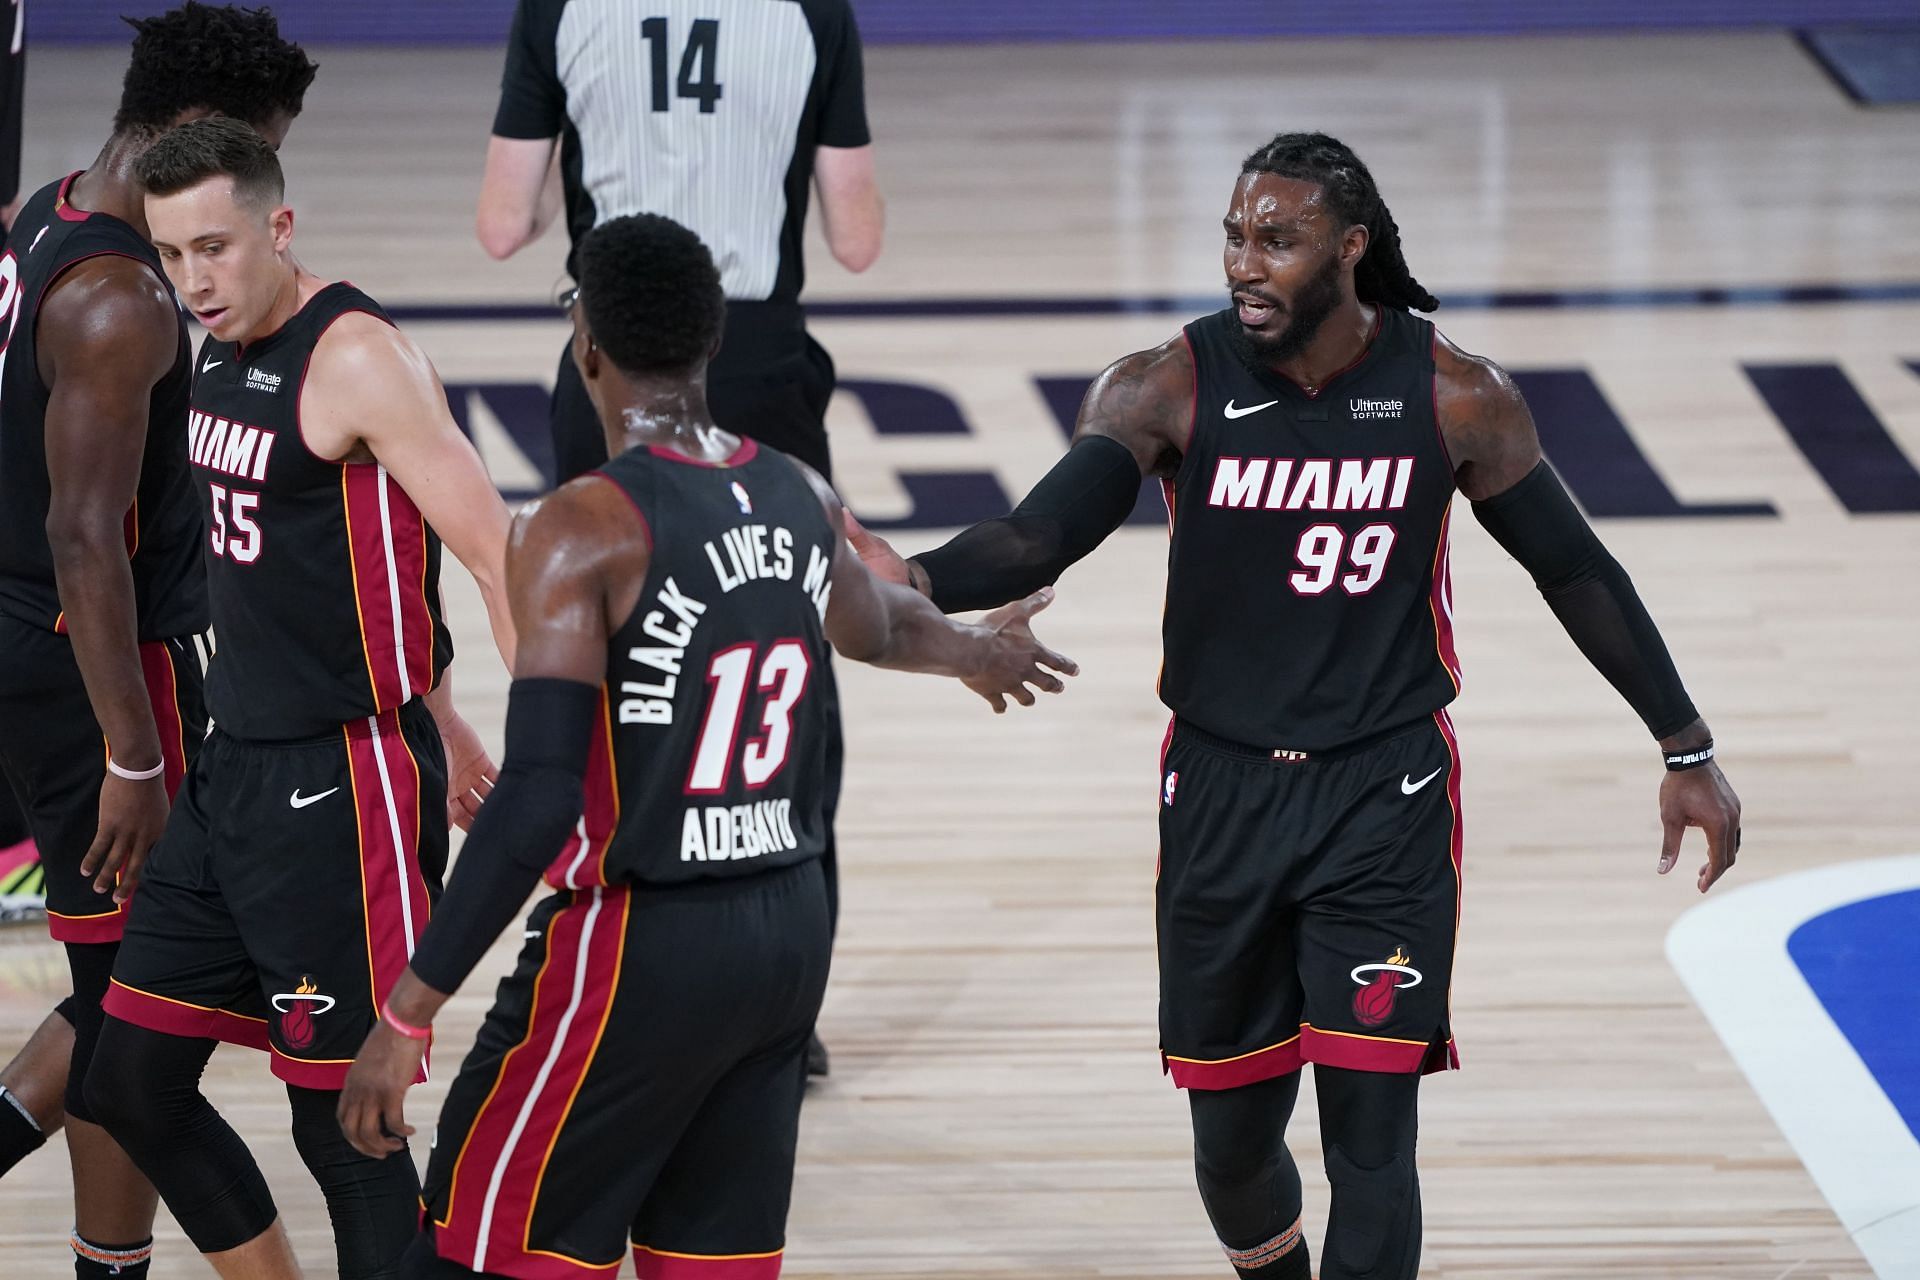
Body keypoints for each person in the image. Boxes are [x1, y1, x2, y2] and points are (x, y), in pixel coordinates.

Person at [845, 131, 1744, 1280]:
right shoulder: (1163, 383)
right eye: (1234, 235)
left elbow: (1576, 570)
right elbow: (1035, 532)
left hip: (1386, 793)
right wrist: (908, 582)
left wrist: (1686, 743)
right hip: (1220, 791)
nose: (1243, 263)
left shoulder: (1457, 395)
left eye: (1277, 239)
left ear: (1349, 249)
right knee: (1231, 1147)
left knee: (1372, 1144)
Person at [336, 212, 1072, 1280]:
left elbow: (541, 794)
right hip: (787, 935)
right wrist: (972, 651)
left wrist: (410, 1005)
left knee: (468, 1256)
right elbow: (883, 622)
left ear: (583, 343)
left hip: (642, 942)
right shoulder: (796, 489)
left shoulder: (580, 525)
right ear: (715, 339)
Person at [79, 116, 516, 1280]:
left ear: (280, 226)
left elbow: (489, 548)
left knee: (349, 1133)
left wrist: (556, 755)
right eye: (172, 255)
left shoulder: (358, 357)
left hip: (347, 781)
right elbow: (348, 570)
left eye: (215, 248)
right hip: (234, 769)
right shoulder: (210, 336)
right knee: (128, 1077)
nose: (192, 278)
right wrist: (448, 702)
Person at [478, 0, 885, 1078]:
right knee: (785, 675)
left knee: (602, 683)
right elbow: (857, 239)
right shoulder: (809, 11)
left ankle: (608, 969)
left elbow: (501, 223)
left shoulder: (560, 8)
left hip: (610, 370)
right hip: (755, 365)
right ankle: (784, 1021)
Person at [0, 7, 315, 1274]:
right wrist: (134, 751)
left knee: (112, 991)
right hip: (96, 672)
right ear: (192, 131)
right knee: (135, 1010)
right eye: (254, 148)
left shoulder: (50, 203)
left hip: (20, 640)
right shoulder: (124, 297)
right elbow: (88, 535)